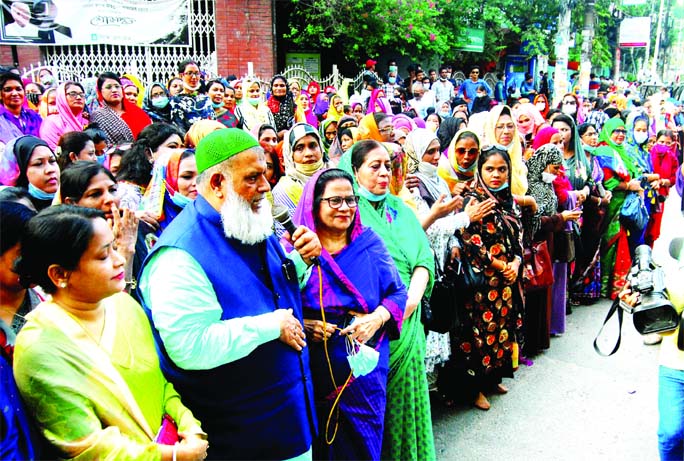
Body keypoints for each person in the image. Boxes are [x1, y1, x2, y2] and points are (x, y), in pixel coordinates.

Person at [138, 128, 320, 460]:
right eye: (252, 178)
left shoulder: (244, 219)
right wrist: (270, 326)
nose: (265, 186)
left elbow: (267, 290)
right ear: (217, 184)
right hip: (240, 438)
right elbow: (189, 346)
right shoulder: (180, 254)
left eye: (264, 174)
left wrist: (300, 261)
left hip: (287, 422)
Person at [13, 205, 208, 460]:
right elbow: (87, 446)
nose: (119, 260)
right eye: (104, 256)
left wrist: (189, 426)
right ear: (60, 274)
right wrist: (172, 456)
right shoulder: (39, 348)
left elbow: (160, 386)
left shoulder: (123, 305)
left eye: (114, 248)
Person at [292, 168, 406, 460]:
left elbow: (397, 293)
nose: (345, 208)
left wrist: (377, 318)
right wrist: (305, 325)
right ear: (314, 204)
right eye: (334, 201)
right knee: (318, 442)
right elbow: (275, 305)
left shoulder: (370, 244)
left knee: (362, 442)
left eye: (351, 200)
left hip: (364, 365)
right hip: (312, 366)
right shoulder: (294, 250)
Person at [339, 140, 436, 461]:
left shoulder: (400, 209)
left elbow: (423, 258)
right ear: (354, 171)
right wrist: (387, 312)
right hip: (373, 324)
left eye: (387, 166)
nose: (384, 173)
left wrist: (409, 302)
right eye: (374, 166)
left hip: (408, 322)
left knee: (408, 403)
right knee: (375, 411)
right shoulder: (347, 213)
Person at [449, 146, 524, 410]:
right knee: (477, 338)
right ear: (480, 171)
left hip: (505, 280)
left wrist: (515, 262)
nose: (496, 175)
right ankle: (474, 389)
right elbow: (468, 238)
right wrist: (498, 264)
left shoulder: (508, 200)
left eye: (501, 169)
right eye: (489, 169)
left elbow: (518, 235)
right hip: (481, 284)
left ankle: (493, 379)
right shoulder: (473, 197)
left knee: (501, 333)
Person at [521, 144, 582, 356]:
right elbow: (534, 222)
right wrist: (561, 218)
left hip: (547, 245)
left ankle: (539, 341)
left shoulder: (545, 185)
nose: (556, 173)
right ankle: (530, 343)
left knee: (544, 288)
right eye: (554, 168)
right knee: (535, 291)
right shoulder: (530, 186)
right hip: (535, 246)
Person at [594, 118, 641, 299]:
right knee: (610, 243)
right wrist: (629, 186)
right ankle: (607, 287)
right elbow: (609, 181)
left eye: (623, 131)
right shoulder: (605, 151)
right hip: (611, 205)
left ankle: (618, 285)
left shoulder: (623, 152)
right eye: (616, 131)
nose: (620, 134)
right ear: (608, 131)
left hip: (624, 205)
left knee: (621, 243)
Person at [570, 123, 612, 304]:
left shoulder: (595, 159)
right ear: (580, 138)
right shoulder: (579, 161)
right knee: (582, 251)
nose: (594, 138)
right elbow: (581, 189)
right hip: (584, 212)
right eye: (589, 134)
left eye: (595, 134)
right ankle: (577, 292)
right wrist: (599, 200)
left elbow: (599, 184)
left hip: (597, 214)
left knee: (594, 250)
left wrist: (606, 195)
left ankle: (590, 292)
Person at [116, 122, 184, 212]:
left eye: (182, 147)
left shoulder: (176, 187)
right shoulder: (127, 194)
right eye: (172, 147)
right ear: (149, 153)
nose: (180, 153)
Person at [272, 123, 326, 234]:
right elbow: (287, 239)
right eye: (299, 148)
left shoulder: (337, 177)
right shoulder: (284, 190)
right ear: (290, 155)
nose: (308, 153)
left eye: (313, 146)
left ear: (321, 148)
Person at [1, 135, 60, 210]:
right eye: (38, 164)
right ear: (21, 171)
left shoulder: (73, 195)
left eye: (52, 161)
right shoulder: (13, 210)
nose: (50, 169)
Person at [483, 105, 528, 196]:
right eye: (500, 127)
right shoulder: (483, 159)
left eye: (510, 126)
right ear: (491, 129)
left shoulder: (519, 162)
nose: (506, 131)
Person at [39, 81, 89, 149]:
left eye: (81, 94)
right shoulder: (51, 122)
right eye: (73, 94)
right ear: (62, 97)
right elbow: (52, 149)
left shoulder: (87, 120)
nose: (78, 97)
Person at [169, 60, 214, 134]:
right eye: (189, 73)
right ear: (181, 75)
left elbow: (213, 121)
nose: (194, 77)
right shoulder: (176, 101)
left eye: (197, 73)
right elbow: (179, 129)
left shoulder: (206, 99)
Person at [0, 72, 42, 143]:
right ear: (0, 94)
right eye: (8, 90)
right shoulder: (1, 119)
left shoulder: (33, 116)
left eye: (18, 89)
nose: (15, 93)